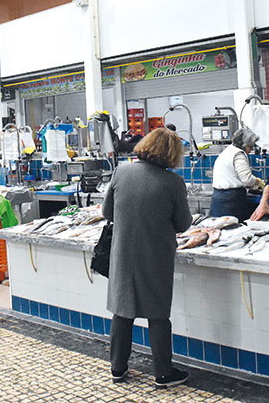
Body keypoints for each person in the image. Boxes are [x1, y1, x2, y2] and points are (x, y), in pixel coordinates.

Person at [103, 128, 192, 388]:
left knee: (122, 311)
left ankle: (117, 369)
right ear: (171, 154)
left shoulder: (122, 171)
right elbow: (183, 224)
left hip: (123, 253)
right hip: (156, 255)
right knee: (157, 314)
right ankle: (164, 373)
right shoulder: (173, 183)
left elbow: (108, 211)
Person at [210, 127, 265, 220]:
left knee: (219, 230)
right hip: (230, 201)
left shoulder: (228, 151)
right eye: (250, 146)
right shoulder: (238, 154)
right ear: (243, 144)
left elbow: (234, 177)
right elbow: (247, 179)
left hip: (218, 197)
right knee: (232, 230)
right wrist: (257, 182)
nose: (251, 149)